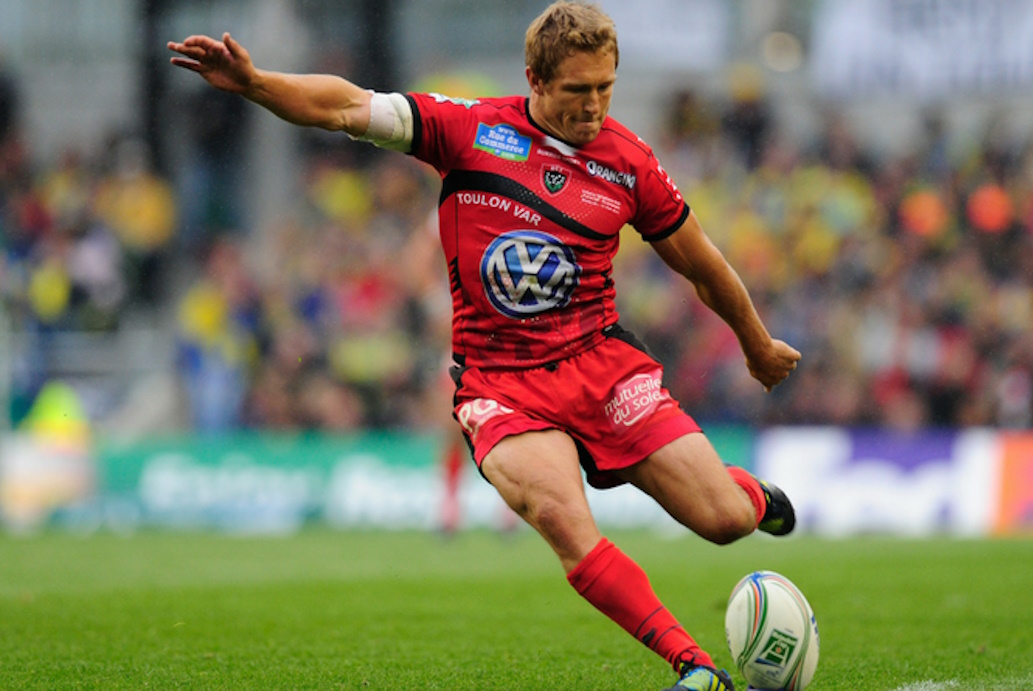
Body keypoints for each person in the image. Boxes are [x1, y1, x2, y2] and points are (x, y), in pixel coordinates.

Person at [168, 3, 801, 689]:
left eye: (605, 88)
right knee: (562, 518)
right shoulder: (469, 131)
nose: (593, 107)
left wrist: (757, 343)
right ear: (534, 78)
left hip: (603, 366)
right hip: (502, 384)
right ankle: (694, 665)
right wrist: (258, 82)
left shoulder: (630, 164)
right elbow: (347, 107)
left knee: (723, 521)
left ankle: (749, 496)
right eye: (576, 91)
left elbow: (703, 264)